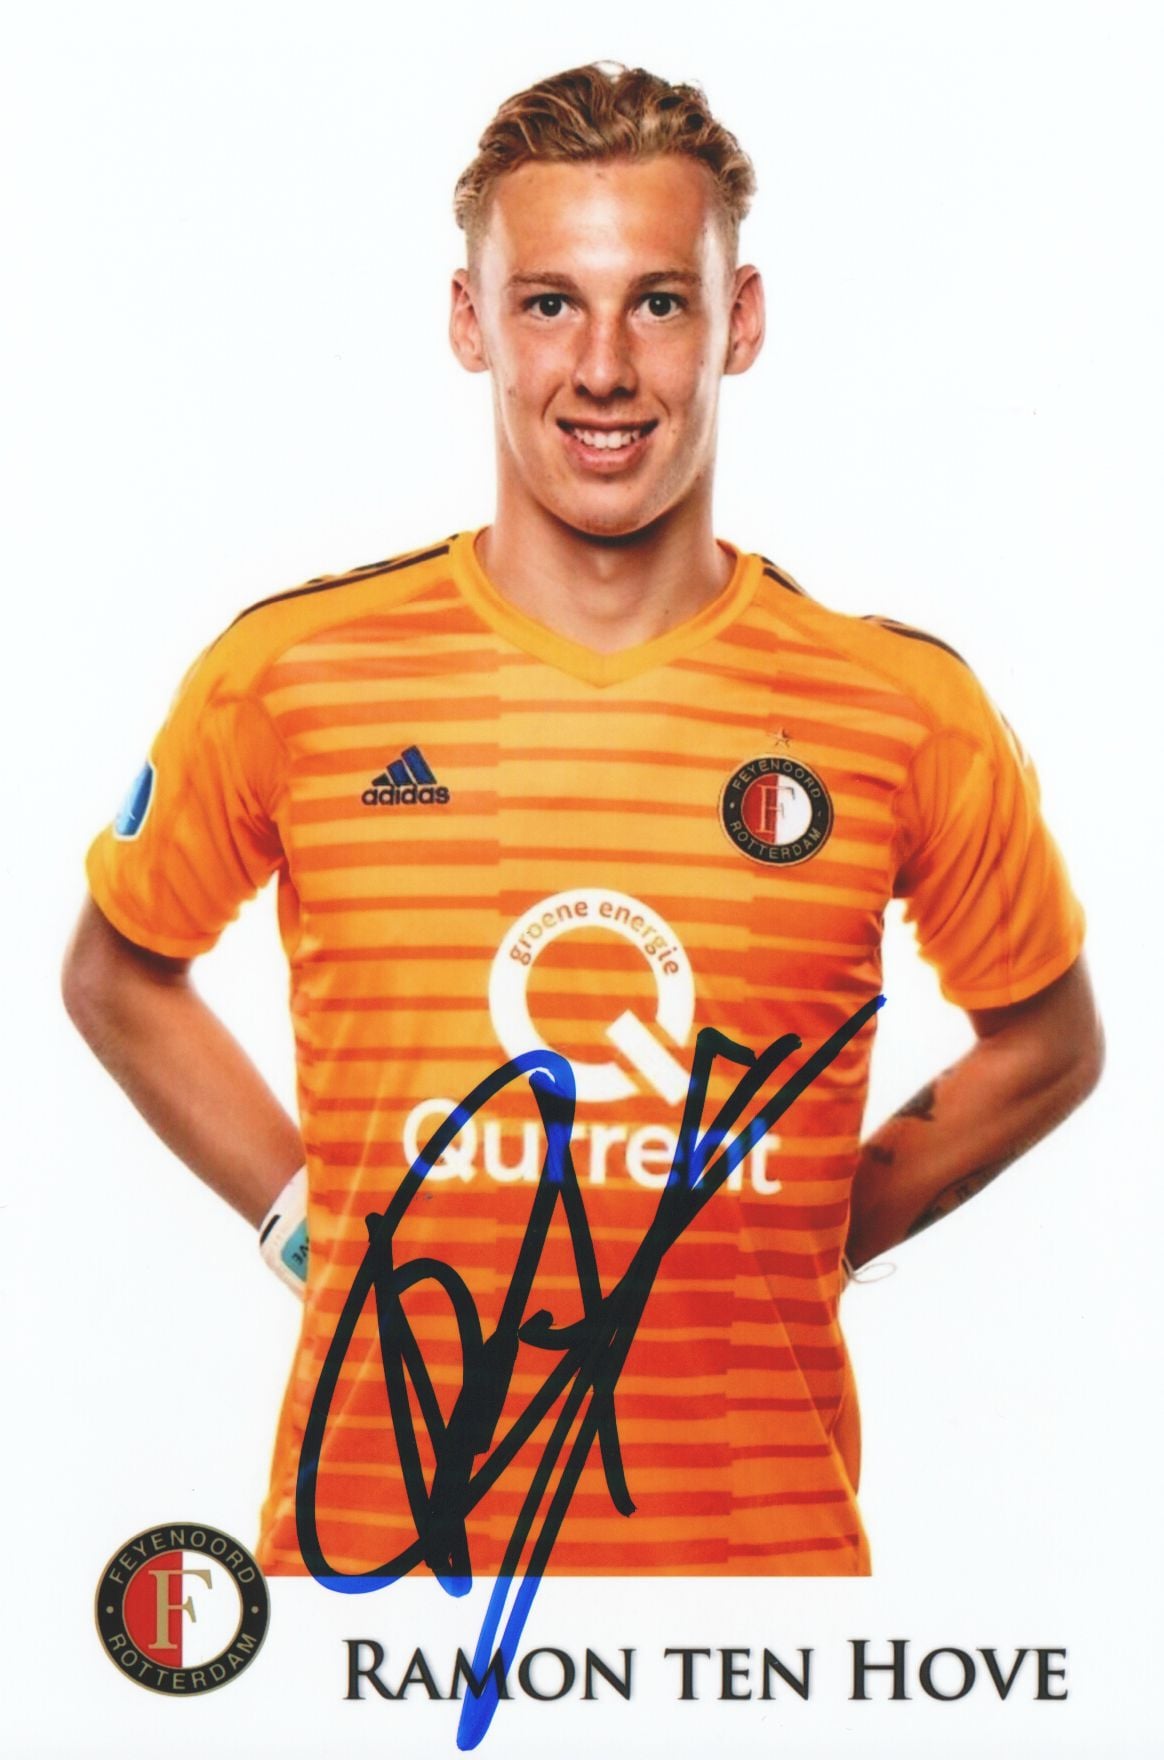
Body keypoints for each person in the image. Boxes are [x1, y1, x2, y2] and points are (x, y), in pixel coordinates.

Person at [61, 62, 1102, 1581]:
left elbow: (1049, 1039)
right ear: (471, 320)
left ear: (738, 321)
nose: (603, 367)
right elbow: (117, 971)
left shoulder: (897, 708)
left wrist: (811, 1226)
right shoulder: (295, 678)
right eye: (549, 302)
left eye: (658, 304)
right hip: (380, 1590)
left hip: (755, 1604)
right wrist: (306, 1221)